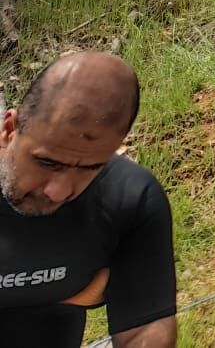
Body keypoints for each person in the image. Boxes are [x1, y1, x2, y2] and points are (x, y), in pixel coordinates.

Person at [0, 50, 177, 347]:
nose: (59, 191)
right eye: (47, 163)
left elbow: (144, 330)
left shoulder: (128, 200)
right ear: (8, 130)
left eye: (90, 168)